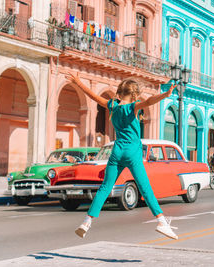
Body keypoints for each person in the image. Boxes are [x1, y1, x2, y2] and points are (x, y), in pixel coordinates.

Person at [66, 73, 179, 240]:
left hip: (117, 150)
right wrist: (165, 95)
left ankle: (86, 222)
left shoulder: (113, 105)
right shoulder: (133, 107)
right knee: (145, 188)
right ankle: (162, 222)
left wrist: (77, 81)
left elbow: (94, 96)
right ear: (134, 94)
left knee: (105, 188)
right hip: (132, 152)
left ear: (121, 91)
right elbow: (149, 101)